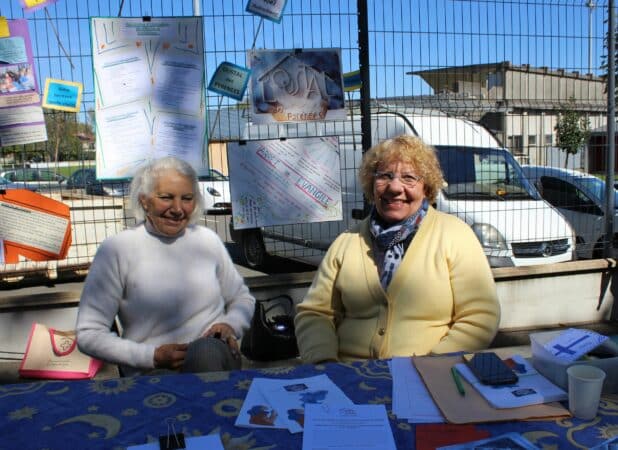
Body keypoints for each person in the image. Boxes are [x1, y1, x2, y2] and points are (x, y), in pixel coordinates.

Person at [294, 135, 500, 364]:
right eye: (384, 176)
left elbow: (480, 316)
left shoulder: (455, 235)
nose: (394, 187)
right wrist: (324, 365)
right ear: (371, 185)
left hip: (431, 375)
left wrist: (432, 367)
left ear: (427, 187)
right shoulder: (346, 242)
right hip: (348, 374)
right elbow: (315, 313)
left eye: (409, 178)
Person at [76, 156, 255, 376]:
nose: (178, 209)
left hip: (213, 360)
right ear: (144, 201)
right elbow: (88, 333)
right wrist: (152, 356)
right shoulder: (117, 249)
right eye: (166, 197)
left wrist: (231, 325)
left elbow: (242, 298)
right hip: (152, 373)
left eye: (187, 198)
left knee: (204, 352)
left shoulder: (207, 241)